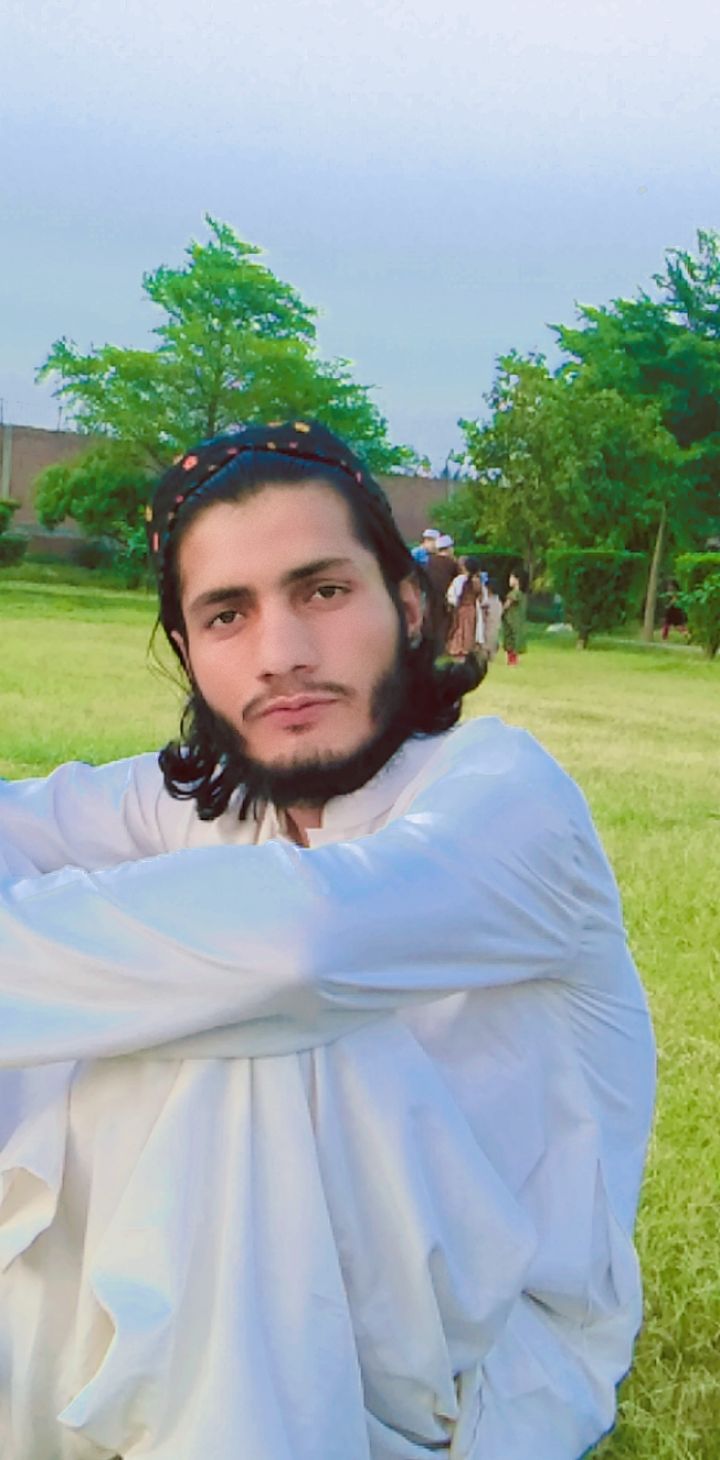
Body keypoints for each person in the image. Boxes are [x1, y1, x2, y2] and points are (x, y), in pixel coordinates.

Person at [0, 421, 655, 1460]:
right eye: (227, 614)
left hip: (484, 1361)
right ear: (188, 651)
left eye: (323, 590)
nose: (282, 655)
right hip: (240, 1323)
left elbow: (301, 945)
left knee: (240, 1022)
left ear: (407, 606)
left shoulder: (510, 799)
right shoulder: (212, 797)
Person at [425, 534, 460, 653]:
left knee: (431, 622)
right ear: (449, 548)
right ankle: (441, 648)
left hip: (431, 596)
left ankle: (431, 648)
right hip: (446, 598)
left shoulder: (430, 561)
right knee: (444, 624)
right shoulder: (452, 564)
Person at [445, 555, 485, 660]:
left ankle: (457, 649)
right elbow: (482, 598)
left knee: (459, 628)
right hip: (473, 608)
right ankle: (468, 649)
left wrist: (452, 605)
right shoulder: (478, 582)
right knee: (470, 629)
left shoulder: (459, 580)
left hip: (461, 608)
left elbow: (452, 595)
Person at [502, 568, 528, 666]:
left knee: (510, 639)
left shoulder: (514, 593)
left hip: (511, 620)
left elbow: (507, 605)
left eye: (511, 577)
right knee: (514, 638)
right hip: (517, 621)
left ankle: (512, 660)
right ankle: (513, 660)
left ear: (517, 580)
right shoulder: (522, 594)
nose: (509, 580)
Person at [483, 576, 503, 661]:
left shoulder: (488, 602)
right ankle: (491, 655)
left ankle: (487, 654)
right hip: (496, 625)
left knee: (487, 640)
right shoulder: (498, 602)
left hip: (489, 624)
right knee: (493, 639)